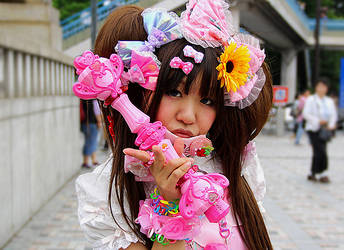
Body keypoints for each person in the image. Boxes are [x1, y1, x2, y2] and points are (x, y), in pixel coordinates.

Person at [75, 1, 274, 249]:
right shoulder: (107, 190)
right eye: (174, 93)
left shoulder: (233, 162)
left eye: (207, 100)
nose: (188, 116)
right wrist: (169, 203)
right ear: (141, 92)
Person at [303, 79, 337, 183]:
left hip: (325, 130)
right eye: (320, 86)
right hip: (314, 129)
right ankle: (322, 173)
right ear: (316, 88)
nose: (321, 89)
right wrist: (318, 121)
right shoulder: (311, 100)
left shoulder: (329, 101)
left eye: (324, 87)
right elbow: (306, 114)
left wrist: (331, 125)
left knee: (320, 151)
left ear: (327, 89)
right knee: (320, 152)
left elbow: (333, 115)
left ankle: (313, 173)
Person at [80, 99, 102, 168]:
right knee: (91, 142)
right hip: (92, 124)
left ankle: (94, 160)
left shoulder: (82, 98)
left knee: (90, 142)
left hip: (84, 123)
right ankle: (85, 162)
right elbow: (97, 112)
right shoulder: (93, 100)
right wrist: (99, 121)